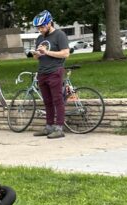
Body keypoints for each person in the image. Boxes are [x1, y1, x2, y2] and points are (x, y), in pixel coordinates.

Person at [31, 10, 70, 139]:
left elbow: (65, 54)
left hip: (55, 71)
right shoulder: (40, 38)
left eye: (42, 27)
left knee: (57, 100)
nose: (40, 30)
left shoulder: (60, 35)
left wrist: (47, 52)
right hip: (42, 72)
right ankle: (49, 127)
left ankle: (59, 128)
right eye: (38, 28)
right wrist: (36, 54)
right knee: (47, 101)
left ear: (49, 23)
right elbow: (37, 58)